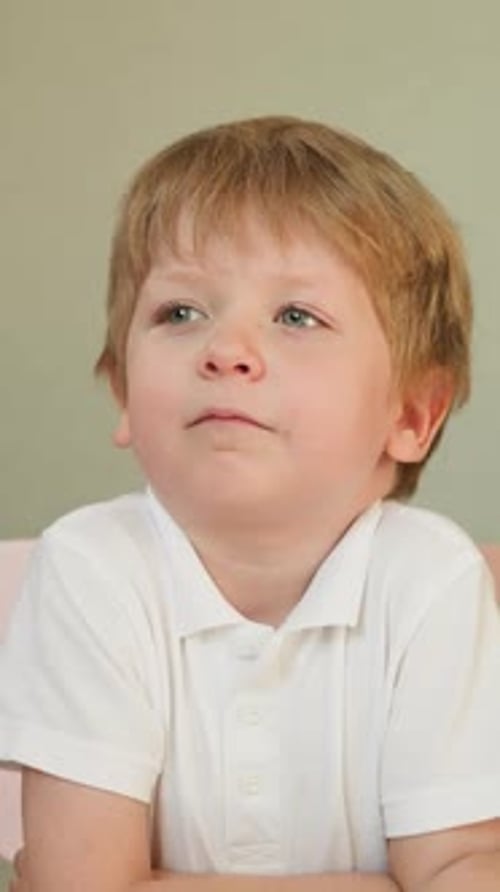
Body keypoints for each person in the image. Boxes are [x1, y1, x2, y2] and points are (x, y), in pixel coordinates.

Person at [1, 116, 499, 892]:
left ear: (410, 414)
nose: (225, 349)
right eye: (180, 312)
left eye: (296, 316)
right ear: (125, 395)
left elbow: (465, 871)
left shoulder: (431, 579)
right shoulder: (92, 566)